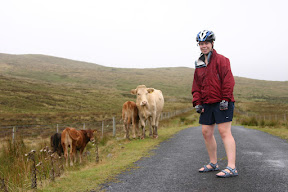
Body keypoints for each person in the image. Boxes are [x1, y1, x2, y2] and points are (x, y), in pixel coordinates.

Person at [191, 30, 238, 178]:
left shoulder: (222, 60)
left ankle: (231, 167)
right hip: (207, 103)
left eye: (206, 43)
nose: (203, 46)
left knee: (224, 132)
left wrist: (226, 98)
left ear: (212, 44)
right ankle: (213, 163)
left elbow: (228, 80)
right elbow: (196, 85)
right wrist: (197, 102)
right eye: (201, 44)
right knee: (206, 132)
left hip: (222, 101)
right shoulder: (198, 64)